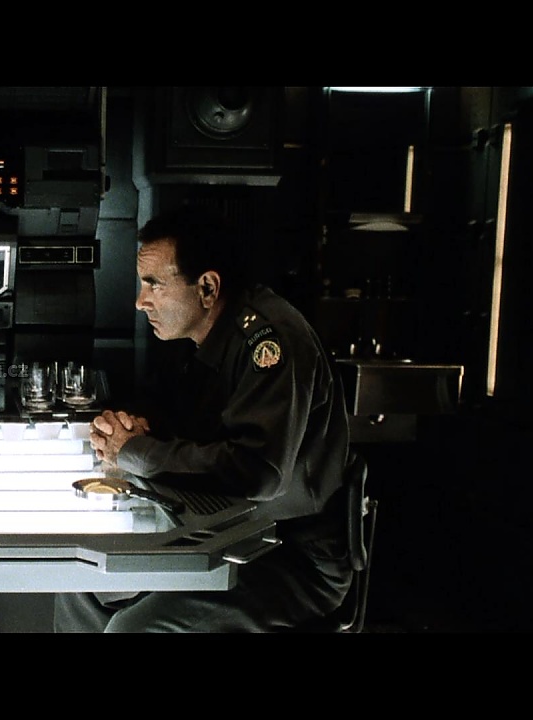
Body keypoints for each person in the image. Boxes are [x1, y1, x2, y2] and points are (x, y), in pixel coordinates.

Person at [54, 204, 353, 632]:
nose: (140, 302)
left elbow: (258, 473)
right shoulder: (203, 338)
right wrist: (137, 432)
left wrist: (137, 451)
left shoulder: (268, 342)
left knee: (130, 628)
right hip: (222, 532)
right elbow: (189, 429)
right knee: (80, 581)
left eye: (154, 284)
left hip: (288, 557)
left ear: (208, 287)